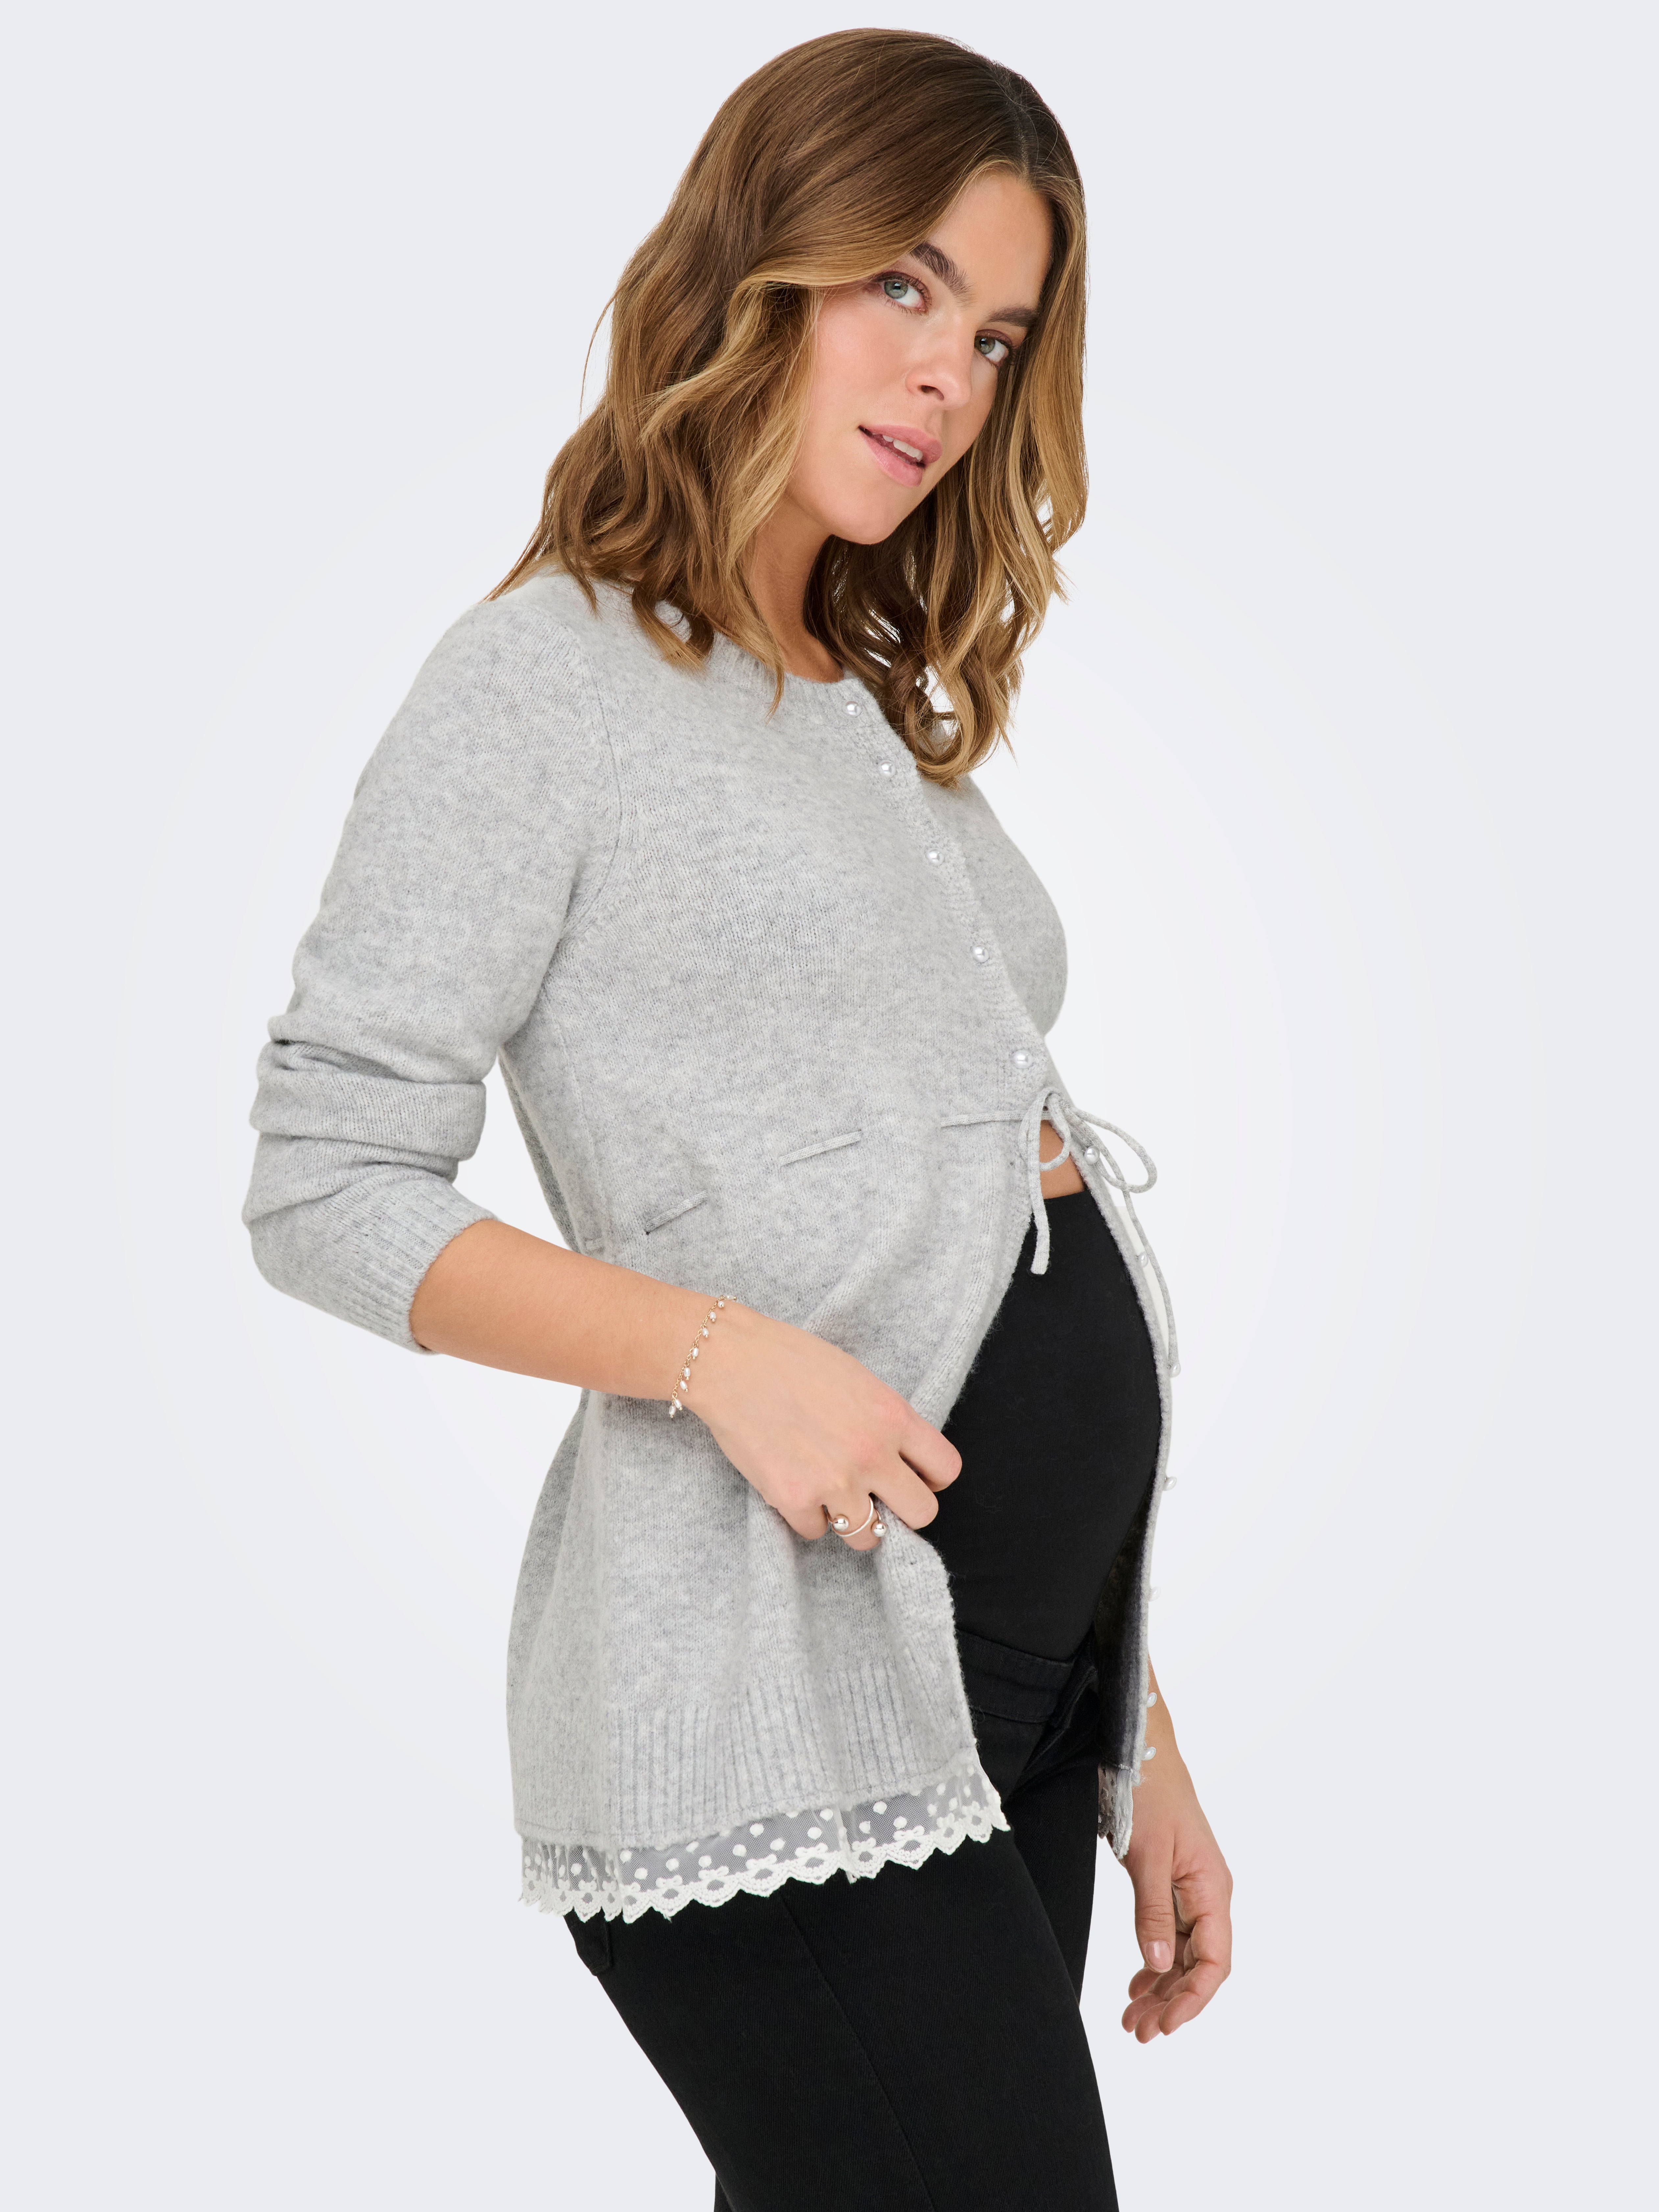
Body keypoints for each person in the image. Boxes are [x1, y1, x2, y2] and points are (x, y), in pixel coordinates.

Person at [243, 28, 1232, 2209]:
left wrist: (1134, 1727)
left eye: (996, 334)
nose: (948, 375)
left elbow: (968, 1228)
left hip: (998, 1688)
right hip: (770, 1696)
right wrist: (720, 1357)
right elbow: (323, 1180)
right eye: (902, 284)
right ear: (752, 267)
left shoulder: (861, 698)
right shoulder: (540, 683)